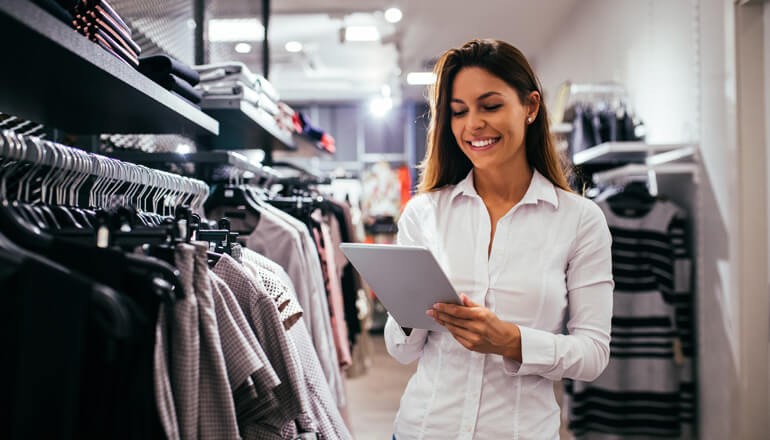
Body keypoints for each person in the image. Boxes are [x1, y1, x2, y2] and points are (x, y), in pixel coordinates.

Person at [384, 39, 614, 439]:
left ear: (530, 107)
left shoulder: (580, 221)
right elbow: (401, 352)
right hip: (422, 428)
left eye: (490, 106)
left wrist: (513, 341)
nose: (473, 124)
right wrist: (409, 310)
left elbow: (593, 354)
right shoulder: (424, 214)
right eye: (458, 112)